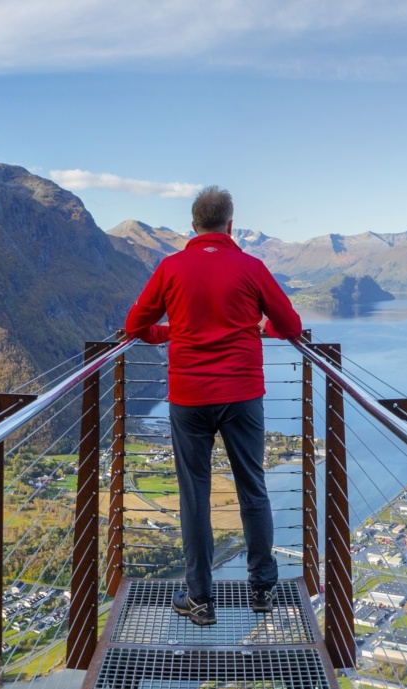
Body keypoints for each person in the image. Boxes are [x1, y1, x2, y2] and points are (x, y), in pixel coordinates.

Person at [123, 186, 304, 626]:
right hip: (242, 395)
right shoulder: (251, 267)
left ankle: (200, 600)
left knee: (194, 497)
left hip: (189, 398)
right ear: (230, 224)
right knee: (253, 489)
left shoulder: (171, 268)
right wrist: (258, 328)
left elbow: (134, 326)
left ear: (193, 225)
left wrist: (171, 334)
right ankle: (262, 590)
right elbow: (291, 324)